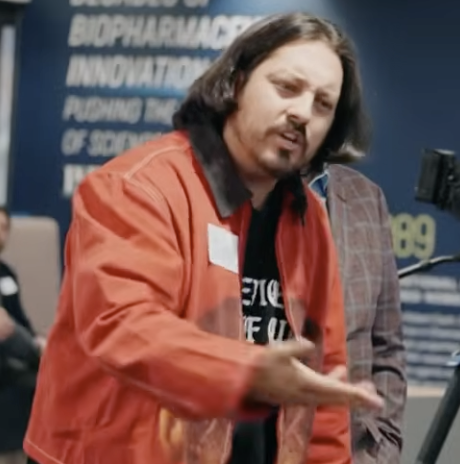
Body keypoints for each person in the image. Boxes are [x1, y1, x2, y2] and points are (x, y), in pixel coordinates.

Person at [24, 13, 383, 464]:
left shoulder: (309, 217)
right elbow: (125, 326)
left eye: (323, 104)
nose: (303, 112)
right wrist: (248, 370)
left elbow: (323, 385)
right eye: (287, 87)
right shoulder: (137, 187)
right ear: (237, 83)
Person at [308, 164, 407, 463]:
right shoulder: (251, 189)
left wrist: (384, 448)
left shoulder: (366, 196)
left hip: (355, 451)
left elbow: (387, 346)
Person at [0, 206, 44, 464]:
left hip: (14, 356)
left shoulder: (7, 274)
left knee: (38, 383)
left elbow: (20, 319)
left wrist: (35, 339)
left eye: (4, 228)